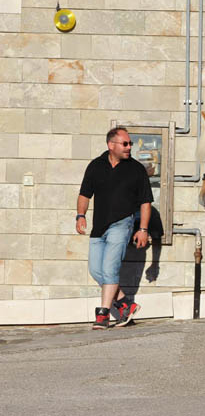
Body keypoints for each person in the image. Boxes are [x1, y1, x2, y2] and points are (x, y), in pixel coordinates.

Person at [76, 127, 153, 329]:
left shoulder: (136, 169)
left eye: (130, 144)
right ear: (111, 145)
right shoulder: (95, 166)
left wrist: (143, 229)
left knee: (110, 270)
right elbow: (84, 194)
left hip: (122, 224)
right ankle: (127, 304)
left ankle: (103, 314)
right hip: (98, 227)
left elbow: (146, 202)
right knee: (96, 271)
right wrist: (80, 215)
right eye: (125, 143)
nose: (129, 147)